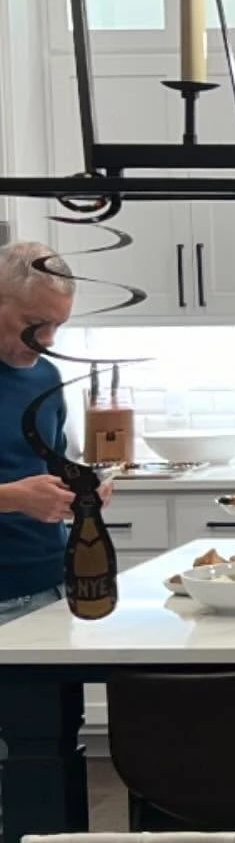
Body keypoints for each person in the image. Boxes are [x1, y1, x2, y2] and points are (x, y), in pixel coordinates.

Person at [0, 242, 79, 621]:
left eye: (57, 325)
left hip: (52, 586)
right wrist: (12, 498)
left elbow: (51, 468)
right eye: (34, 323)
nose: (47, 340)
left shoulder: (46, 377)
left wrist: (83, 489)